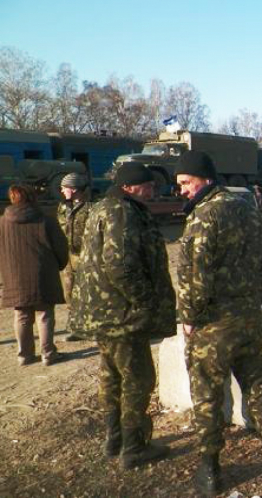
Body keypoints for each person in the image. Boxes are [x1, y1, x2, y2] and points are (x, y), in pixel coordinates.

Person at [175, 150, 262, 495]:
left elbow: (194, 279)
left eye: (185, 182)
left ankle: (211, 473)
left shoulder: (202, 217)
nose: (181, 190)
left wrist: (189, 319)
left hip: (212, 326)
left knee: (207, 397)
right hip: (247, 320)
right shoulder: (249, 210)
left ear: (204, 179)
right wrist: (251, 299)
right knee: (258, 387)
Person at [69, 162, 176, 469]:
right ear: (130, 187)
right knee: (138, 379)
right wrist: (145, 302)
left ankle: (114, 438)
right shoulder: (122, 212)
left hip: (105, 313)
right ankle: (134, 446)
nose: (153, 190)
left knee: (112, 377)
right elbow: (120, 265)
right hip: (122, 315)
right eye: (149, 186)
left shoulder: (104, 208)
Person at [0, 184, 68, 366]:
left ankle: (24, 356)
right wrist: (60, 265)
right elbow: (61, 247)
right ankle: (48, 354)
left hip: (14, 276)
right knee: (44, 314)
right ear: (33, 197)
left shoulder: (2, 222)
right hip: (44, 273)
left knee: (21, 315)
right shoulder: (46, 220)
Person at [56, 172, 91, 342]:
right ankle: (76, 327)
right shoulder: (63, 207)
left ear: (74, 189)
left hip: (85, 256)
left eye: (64, 188)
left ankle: (90, 326)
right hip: (68, 257)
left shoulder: (90, 207)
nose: (61, 191)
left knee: (87, 292)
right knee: (69, 293)